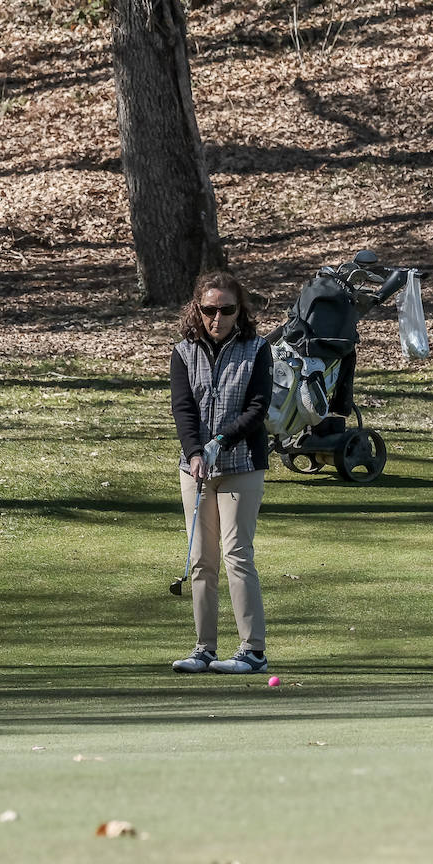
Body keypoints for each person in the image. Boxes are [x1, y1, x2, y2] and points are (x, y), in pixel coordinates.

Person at [169, 270, 273, 674]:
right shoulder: (183, 351)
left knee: (236, 554)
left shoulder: (256, 349)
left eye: (226, 310)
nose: (217, 318)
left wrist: (219, 442)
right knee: (201, 560)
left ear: (238, 310)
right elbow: (183, 409)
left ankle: (253, 650)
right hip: (195, 468)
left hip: (241, 464)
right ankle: (204, 649)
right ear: (198, 308)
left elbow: (257, 408)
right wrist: (196, 452)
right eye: (209, 310)